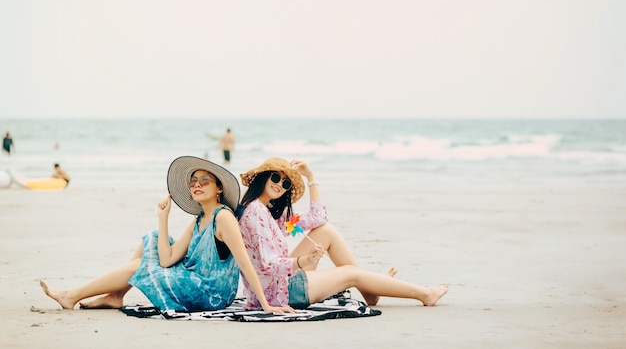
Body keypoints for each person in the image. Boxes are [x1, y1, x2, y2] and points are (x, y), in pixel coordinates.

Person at [39, 156, 294, 314]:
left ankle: (72, 296)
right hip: (194, 280)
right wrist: (163, 219)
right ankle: (115, 296)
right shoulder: (199, 219)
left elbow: (244, 262)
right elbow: (167, 259)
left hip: (211, 292)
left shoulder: (223, 217)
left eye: (204, 180)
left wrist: (265, 304)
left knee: (141, 265)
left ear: (218, 188)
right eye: (193, 181)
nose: (196, 184)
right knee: (152, 237)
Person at [238, 157, 448, 310]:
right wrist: (305, 260)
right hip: (280, 293)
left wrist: (311, 177)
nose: (279, 184)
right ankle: (425, 294)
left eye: (285, 183)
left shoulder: (270, 212)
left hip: (278, 284)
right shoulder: (255, 212)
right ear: (263, 177)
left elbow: (319, 219)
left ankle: (369, 289)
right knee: (351, 273)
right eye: (275, 177)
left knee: (325, 231)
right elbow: (268, 264)